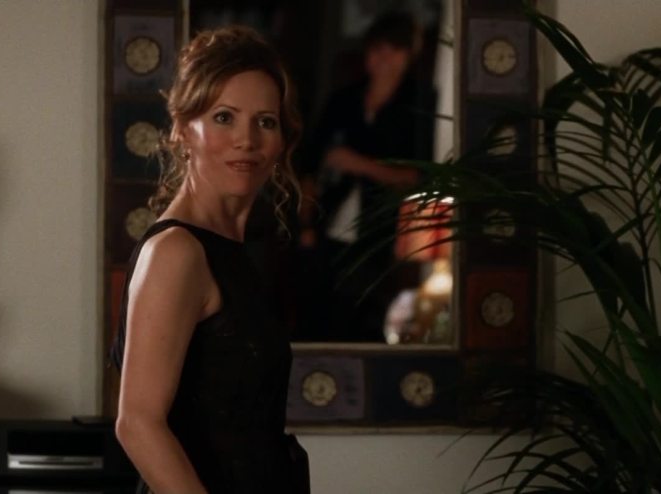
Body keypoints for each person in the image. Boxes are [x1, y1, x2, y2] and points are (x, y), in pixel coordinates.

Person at [111, 26, 309, 494]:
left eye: (265, 121)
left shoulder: (242, 252)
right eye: (224, 117)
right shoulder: (176, 252)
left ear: (282, 140)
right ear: (183, 130)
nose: (247, 140)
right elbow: (137, 423)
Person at [298, 11, 436, 342]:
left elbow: (420, 176)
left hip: (384, 233)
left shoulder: (420, 104)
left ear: (409, 55)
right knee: (316, 314)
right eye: (377, 49)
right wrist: (306, 223)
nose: (384, 58)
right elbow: (310, 164)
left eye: (394, 50)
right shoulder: (344, 99)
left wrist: (358, 164)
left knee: (364, 319)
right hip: (329, 225)